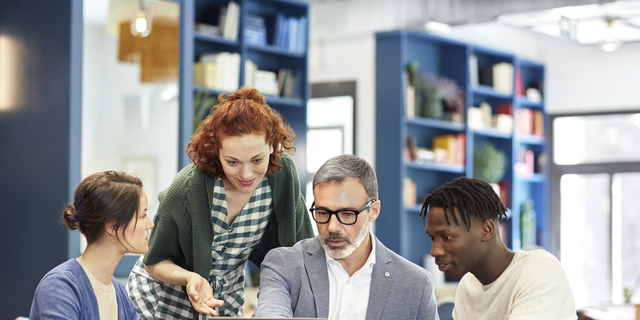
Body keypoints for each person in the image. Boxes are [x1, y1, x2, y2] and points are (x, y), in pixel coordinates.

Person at [126, 87, 315, 319]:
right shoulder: (188, 188)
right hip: (160, 300)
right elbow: (154, 262)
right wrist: (189, 277)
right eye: (232, 162)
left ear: (272, 146)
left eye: (257, 160)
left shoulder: (282, 177)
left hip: (223, 303)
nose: (246, 174)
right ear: (216, 152)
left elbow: (301, 250)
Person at [253, 154, 439, 320]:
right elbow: (271, 311)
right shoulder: (284, 265)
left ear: (373, 211)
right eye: (323, 213)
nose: (332, 227)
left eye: (347, 214)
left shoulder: (416, 283)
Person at [421, 177, 577, 320]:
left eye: (447, 237)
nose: (435, 251)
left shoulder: (540, 269)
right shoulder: (467, 286)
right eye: (432, 238)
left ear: (486, 230)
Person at [29, 171, 154, 320]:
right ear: (112, 227)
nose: (150, 224)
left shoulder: (118, 291)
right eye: (142, 216)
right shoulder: (60, 285)